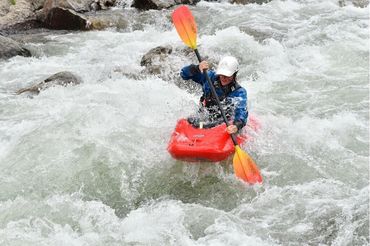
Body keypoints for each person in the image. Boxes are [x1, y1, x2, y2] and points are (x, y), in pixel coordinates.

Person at [180, 56, 248, 135]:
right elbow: (183, 74)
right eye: (222, 74)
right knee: (191, 121)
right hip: (204, 115)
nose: (223, 78)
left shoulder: (239, 92)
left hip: (222, 121)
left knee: (208, 125)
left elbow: (241, 112)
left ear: (234, 74)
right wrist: (196, 68)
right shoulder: (209, 77)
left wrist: (236, 126)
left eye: (227, 75)